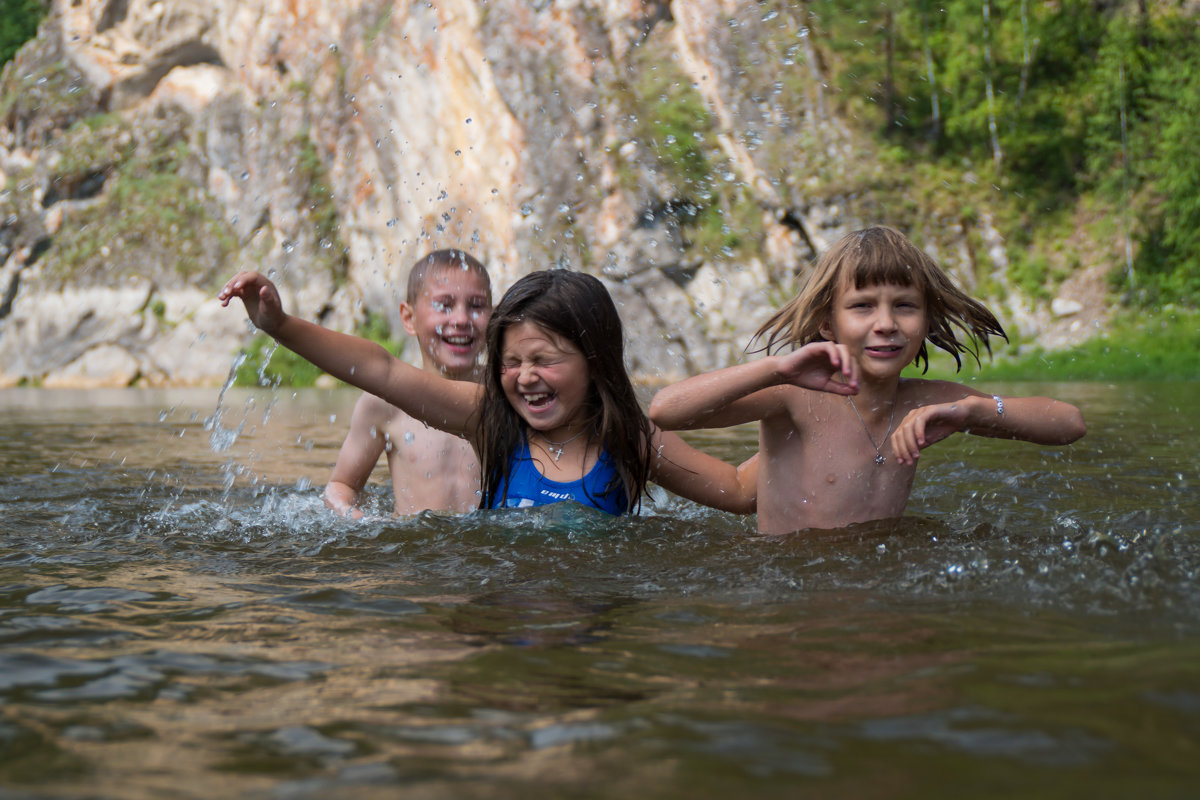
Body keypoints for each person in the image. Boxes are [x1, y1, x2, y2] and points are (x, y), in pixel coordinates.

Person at [221, 268, 849, 515]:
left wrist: (812, 419)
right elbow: (381, 370)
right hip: (498, 617)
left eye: (545, 361)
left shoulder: (629, 440)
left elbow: (739, 493)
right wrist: (278, 325)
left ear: (595, 360)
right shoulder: (490, 423)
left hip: (595, 622)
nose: (523, 377)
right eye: (511, 360)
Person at [648, 225, 1087, 534]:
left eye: (905, 306)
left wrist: (976, 410)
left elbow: (1069, 424)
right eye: (861, 307)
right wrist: (777, 367)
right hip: (790, 584)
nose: (886, 324)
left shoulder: (931, 402)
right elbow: (666, 411)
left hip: (873, 584)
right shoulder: (794, 395)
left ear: (927, 322)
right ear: (827, 323)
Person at [323, 249, 492, 518]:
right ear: (409, 318)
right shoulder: (385, 403)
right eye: (444, 305)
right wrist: (363, 524)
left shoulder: (507, 393)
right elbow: (341, 486)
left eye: (476, 306)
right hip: (418, 556)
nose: (461, 320)